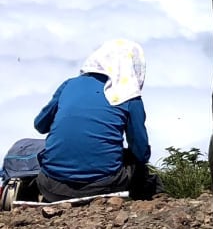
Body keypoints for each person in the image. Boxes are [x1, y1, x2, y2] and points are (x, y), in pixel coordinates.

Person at [34, 39, 160, 201]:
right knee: (140, 170)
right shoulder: (130, 97)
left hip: (50, 187)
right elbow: (140, 152)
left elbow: (40, 125)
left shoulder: (69, 85)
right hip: (104, 187)